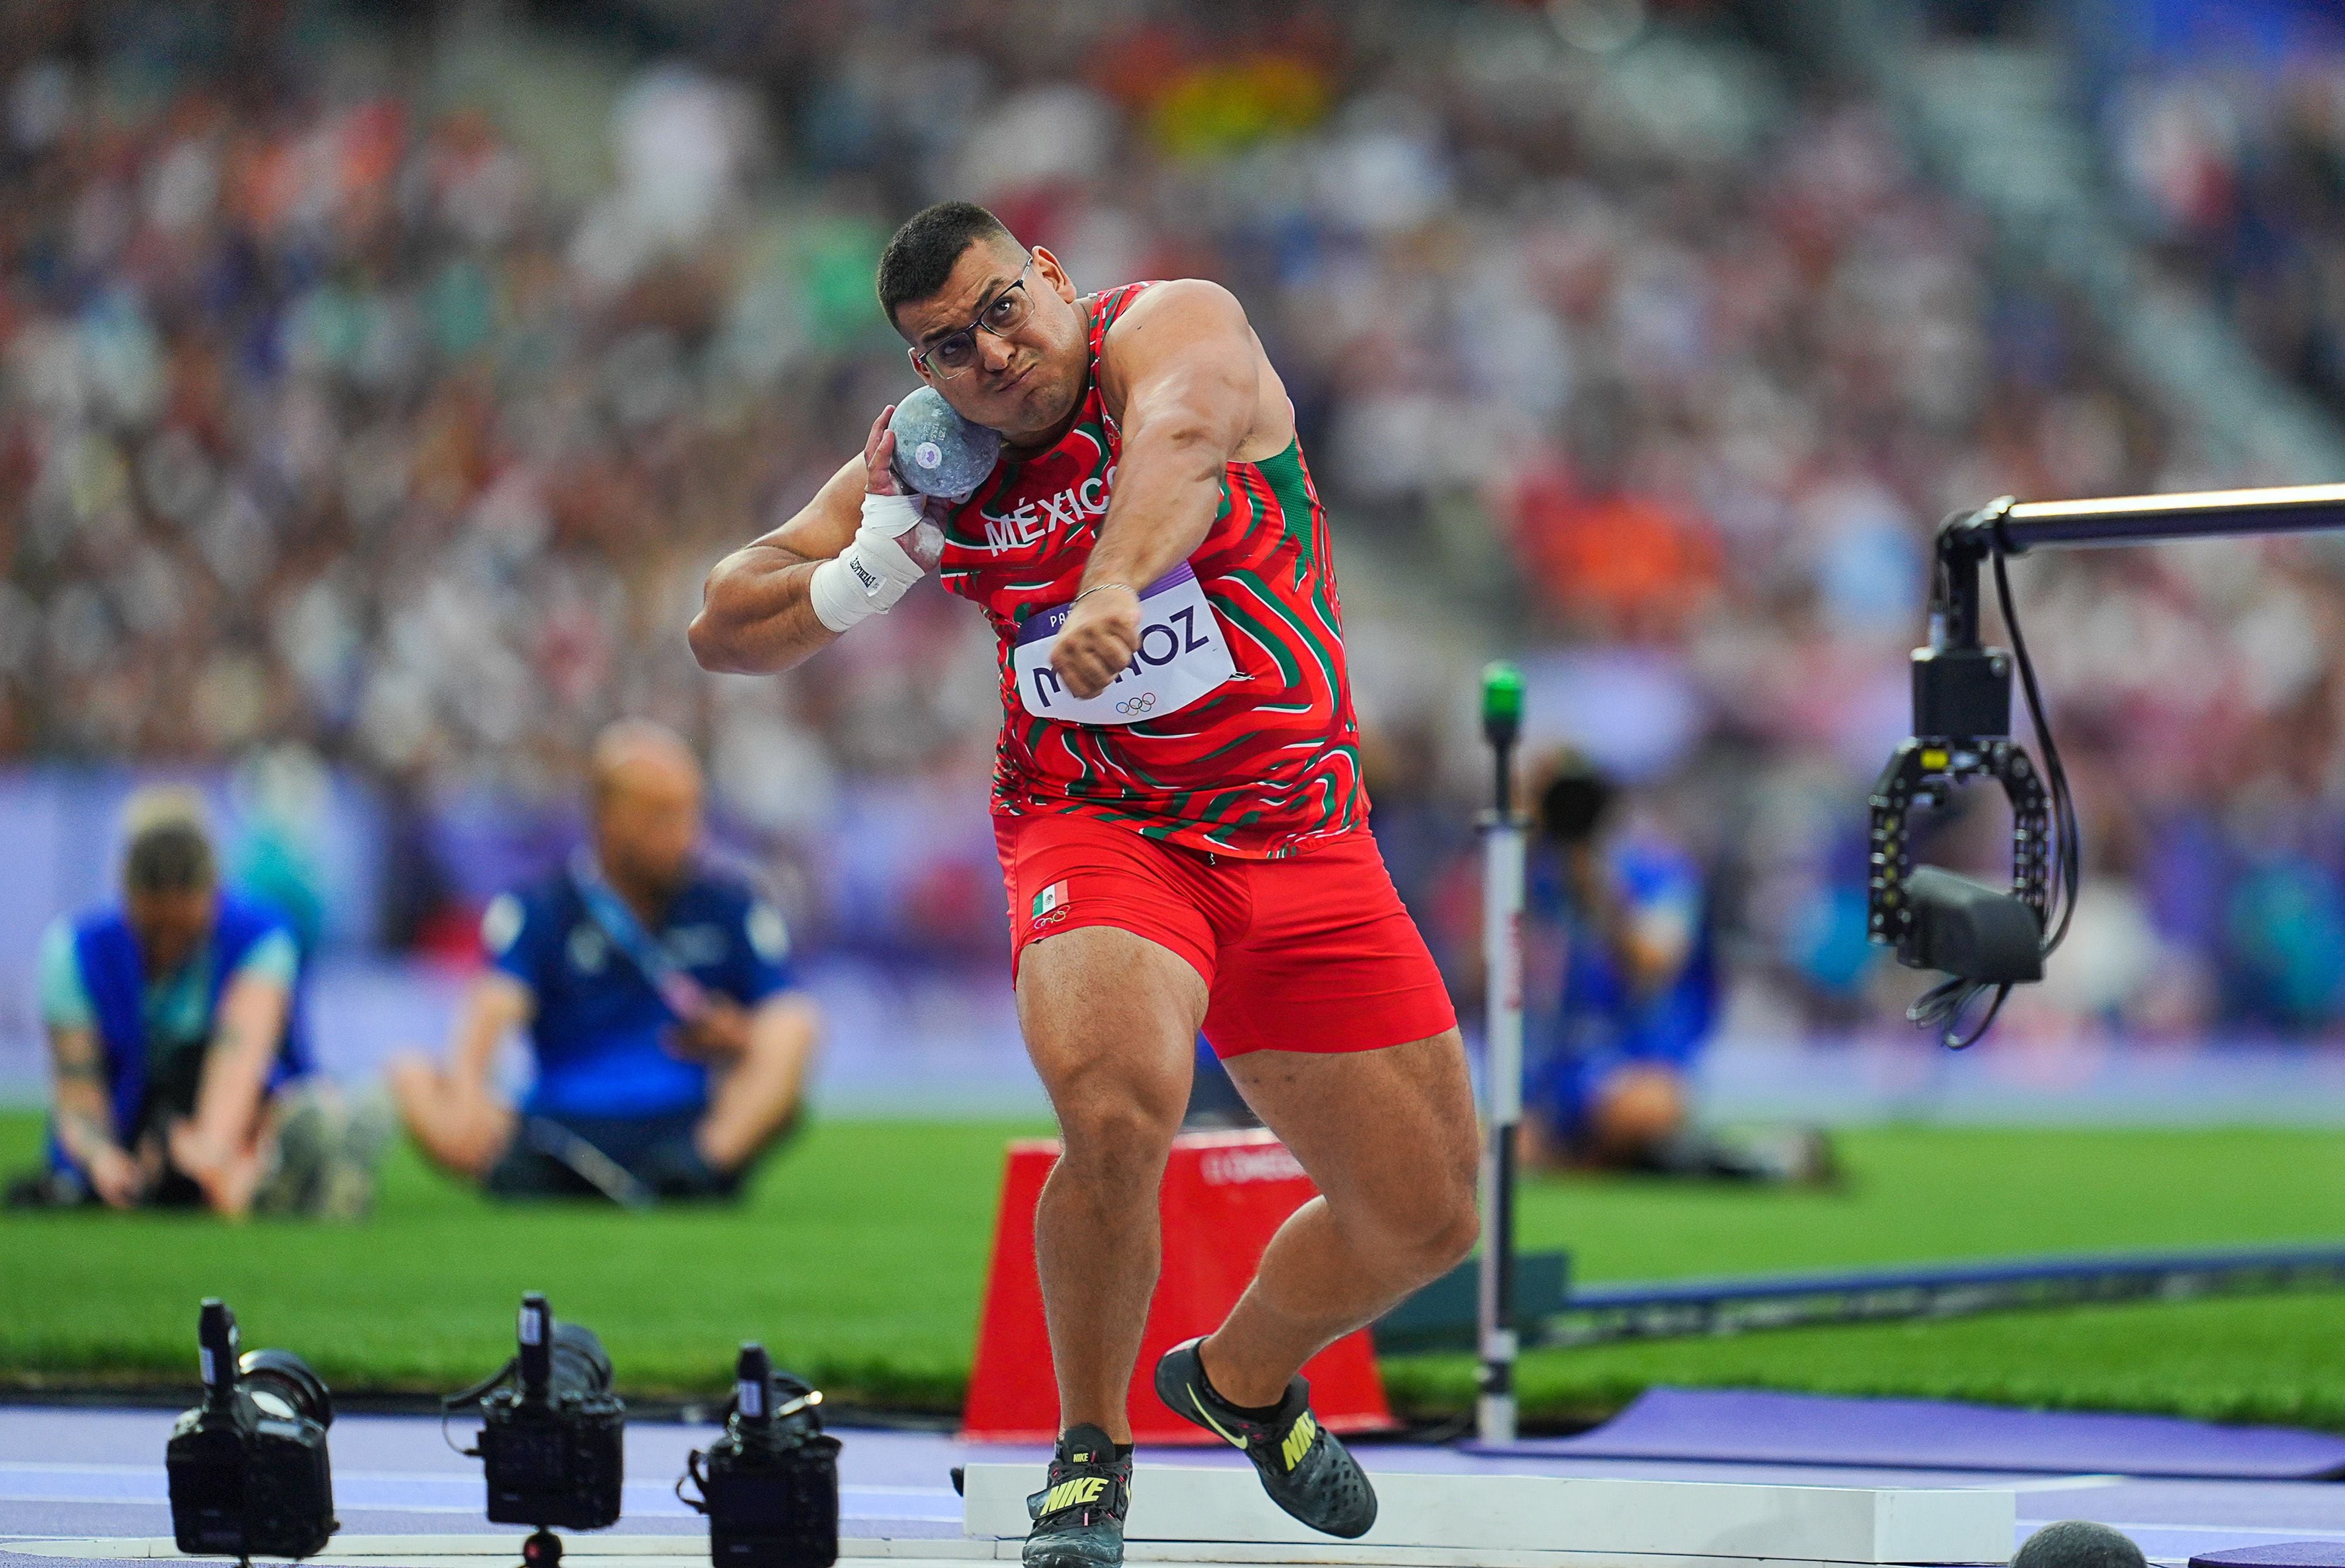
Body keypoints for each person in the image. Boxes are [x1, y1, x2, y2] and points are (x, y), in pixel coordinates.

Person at [691, 202, 1478, 1568]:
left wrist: (1111, 583)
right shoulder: (927, 463)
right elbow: (721, 626)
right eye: (947, 346)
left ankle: (1234, 1382)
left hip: (1300, 831)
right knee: (1116, 1109)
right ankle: (1088, 1456)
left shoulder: (1170, 327)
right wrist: (869, 570)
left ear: (1051, 277)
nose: (992, 352)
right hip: (1097, 827)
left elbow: (1180, 442)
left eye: (1003, 307)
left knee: (1428, 1220)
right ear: (920, 369)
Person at [389, 721, 818, 1204]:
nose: (687, 836)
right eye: (664, 817)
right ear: (610, 817)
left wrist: (736, 1036)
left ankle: (698, 1167)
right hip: (564, 1124)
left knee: (796, 1023)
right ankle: (545, 1169)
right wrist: (468, 1091)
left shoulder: (730, 906)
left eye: (692, 814)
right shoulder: (542, 907)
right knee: (410, 1076)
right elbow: (495, 1004)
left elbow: (781, 1020)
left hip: (689, 1120)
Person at [12, 790, 361, 1217]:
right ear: (128, 897)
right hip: (132, 1120)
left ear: (214, 893)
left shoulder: (261, 938)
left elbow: (240, 1059)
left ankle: (265, 1173)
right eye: (154, 930)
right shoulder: (72, 952)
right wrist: (101, 1159)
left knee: (272, 1108)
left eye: (184, 929)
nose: (169, 945)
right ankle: (281, 1184)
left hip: (238, 1109)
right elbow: (79, 1090)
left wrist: (206, 1153)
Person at [1521, 756, 1831, 1183]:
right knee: (1499, 1143)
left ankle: (1741, 1160)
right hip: (1562, 1068)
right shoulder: (1535, 878)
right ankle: (1747, 1160)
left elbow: (1654, 963)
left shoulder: (1659, 874)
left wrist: (1599, 893)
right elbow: (1487, 972)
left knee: (1637, 1115)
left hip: (1642, 1060)